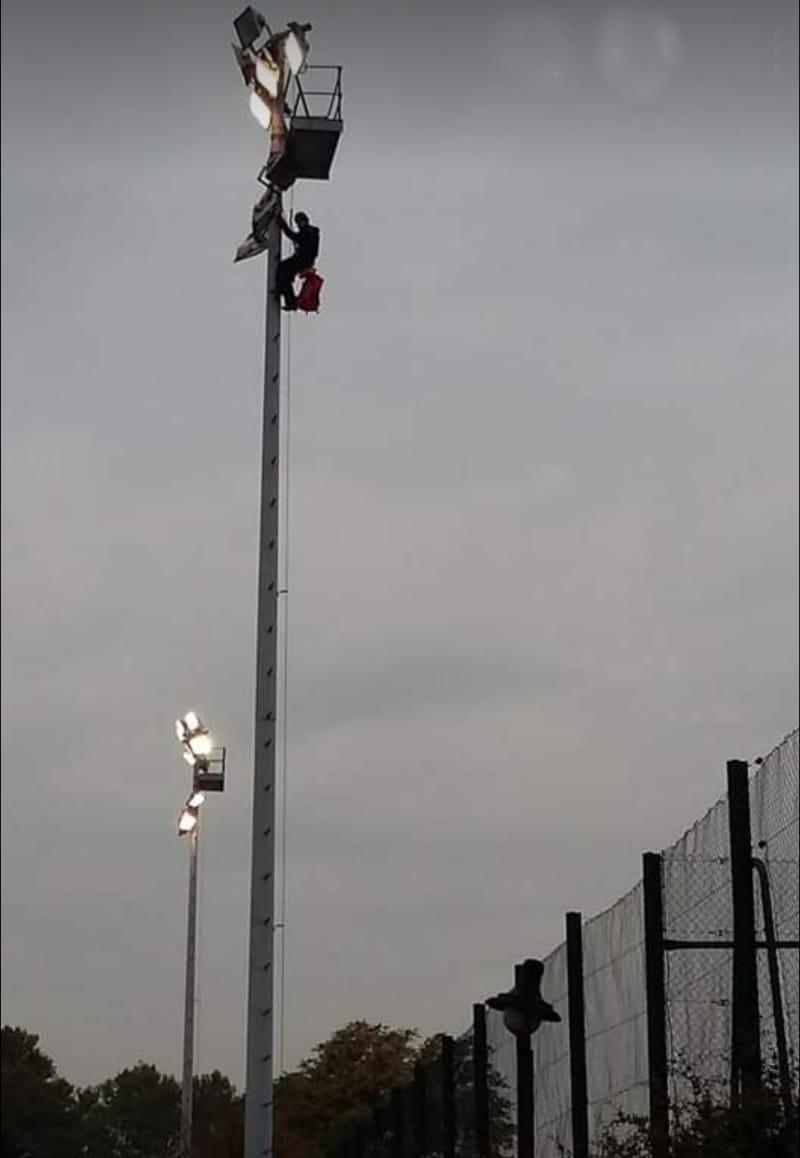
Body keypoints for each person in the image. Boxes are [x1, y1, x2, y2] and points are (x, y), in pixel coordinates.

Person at [276, 211, 320, 311]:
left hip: (303, 261)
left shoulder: (309, 232)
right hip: (303, 261)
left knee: (283, 269)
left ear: (305, 221)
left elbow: (293, 236)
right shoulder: (310, 232)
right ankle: (287, 296)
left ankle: (285, 295)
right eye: (298, 223)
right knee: (286, 275)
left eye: (300, 222)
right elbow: (296, 237)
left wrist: (282, 224)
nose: (299, 225)